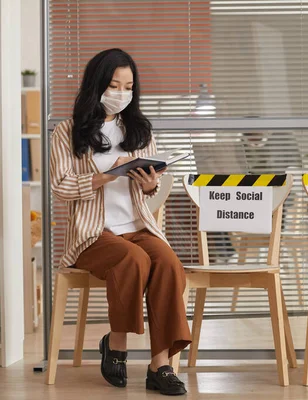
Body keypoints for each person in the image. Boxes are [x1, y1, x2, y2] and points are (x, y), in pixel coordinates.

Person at [50, 48, 191, 396]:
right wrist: (105, 176)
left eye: (128, 86)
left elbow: (150, 190)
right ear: (96, 85)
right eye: (114, 85)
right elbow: (60, 188)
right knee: (133, 259)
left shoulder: (139, 130)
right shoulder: (67, 132)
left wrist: (149, 183)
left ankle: (160, 366)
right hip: (93, 234)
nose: (121, 94)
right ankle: (117, 344)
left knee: (169, 262)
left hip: (137, 227)